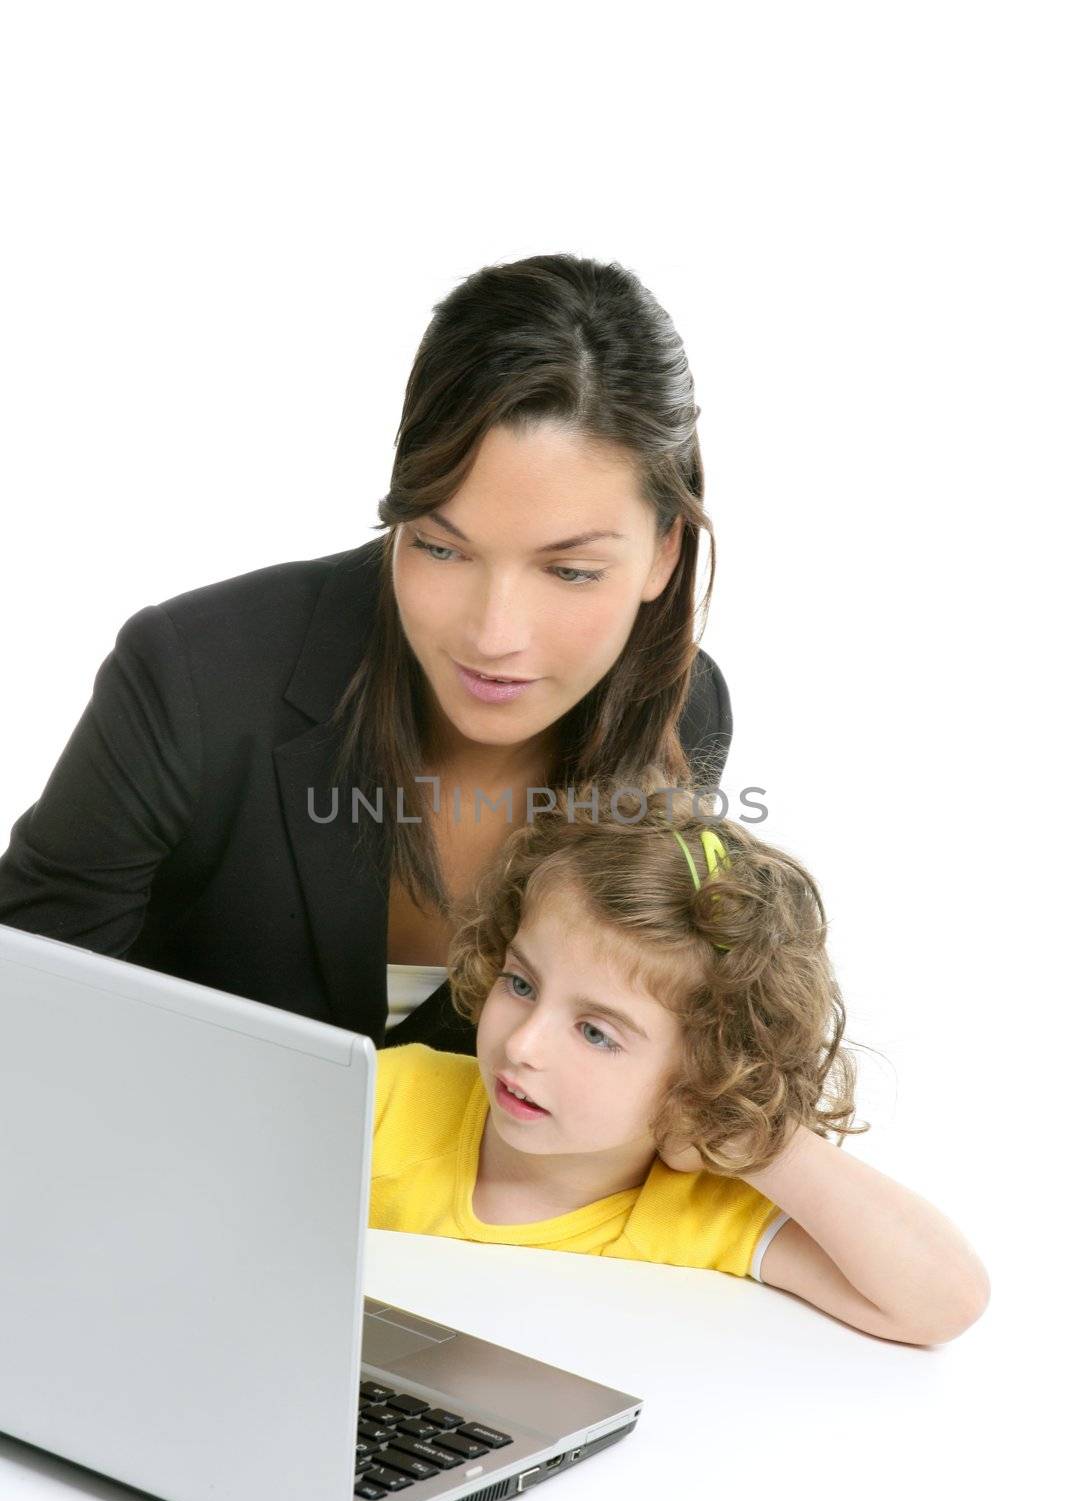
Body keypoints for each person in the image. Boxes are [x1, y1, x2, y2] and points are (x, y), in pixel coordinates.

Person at [0, 255, 732, 1055]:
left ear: (664, 553)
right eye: (441, 549)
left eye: (569, 571)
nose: (493, 634)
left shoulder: (684, 713)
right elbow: (27, 1003)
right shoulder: (193, 673)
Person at [371, 776, 992, 1346]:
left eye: (594, 1032)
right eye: (522, 984)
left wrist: (748, 1133)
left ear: (705, 1068)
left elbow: (944, 1301)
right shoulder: (388, 1100)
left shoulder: (702, 1210)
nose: (522, 1046)